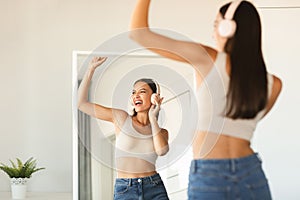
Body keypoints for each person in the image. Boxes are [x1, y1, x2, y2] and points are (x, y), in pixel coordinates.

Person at [130, 0, 282, 199]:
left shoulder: (207, 58)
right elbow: (240, 123)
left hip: (210, 173)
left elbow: (139, 34)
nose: (213, 33)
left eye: (216, 25)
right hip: (250, 172)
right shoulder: (274, 84)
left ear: (229, 28)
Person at [77, 56, 170, 200]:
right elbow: (82, 104)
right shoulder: (121, 118)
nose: (136, 95)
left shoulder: (161, 132)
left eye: (142, 91)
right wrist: (91, 69)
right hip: (126, 189)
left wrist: (153, 118)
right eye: (133, 92)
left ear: (155, 97)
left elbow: (162, 151)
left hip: (154, 187)